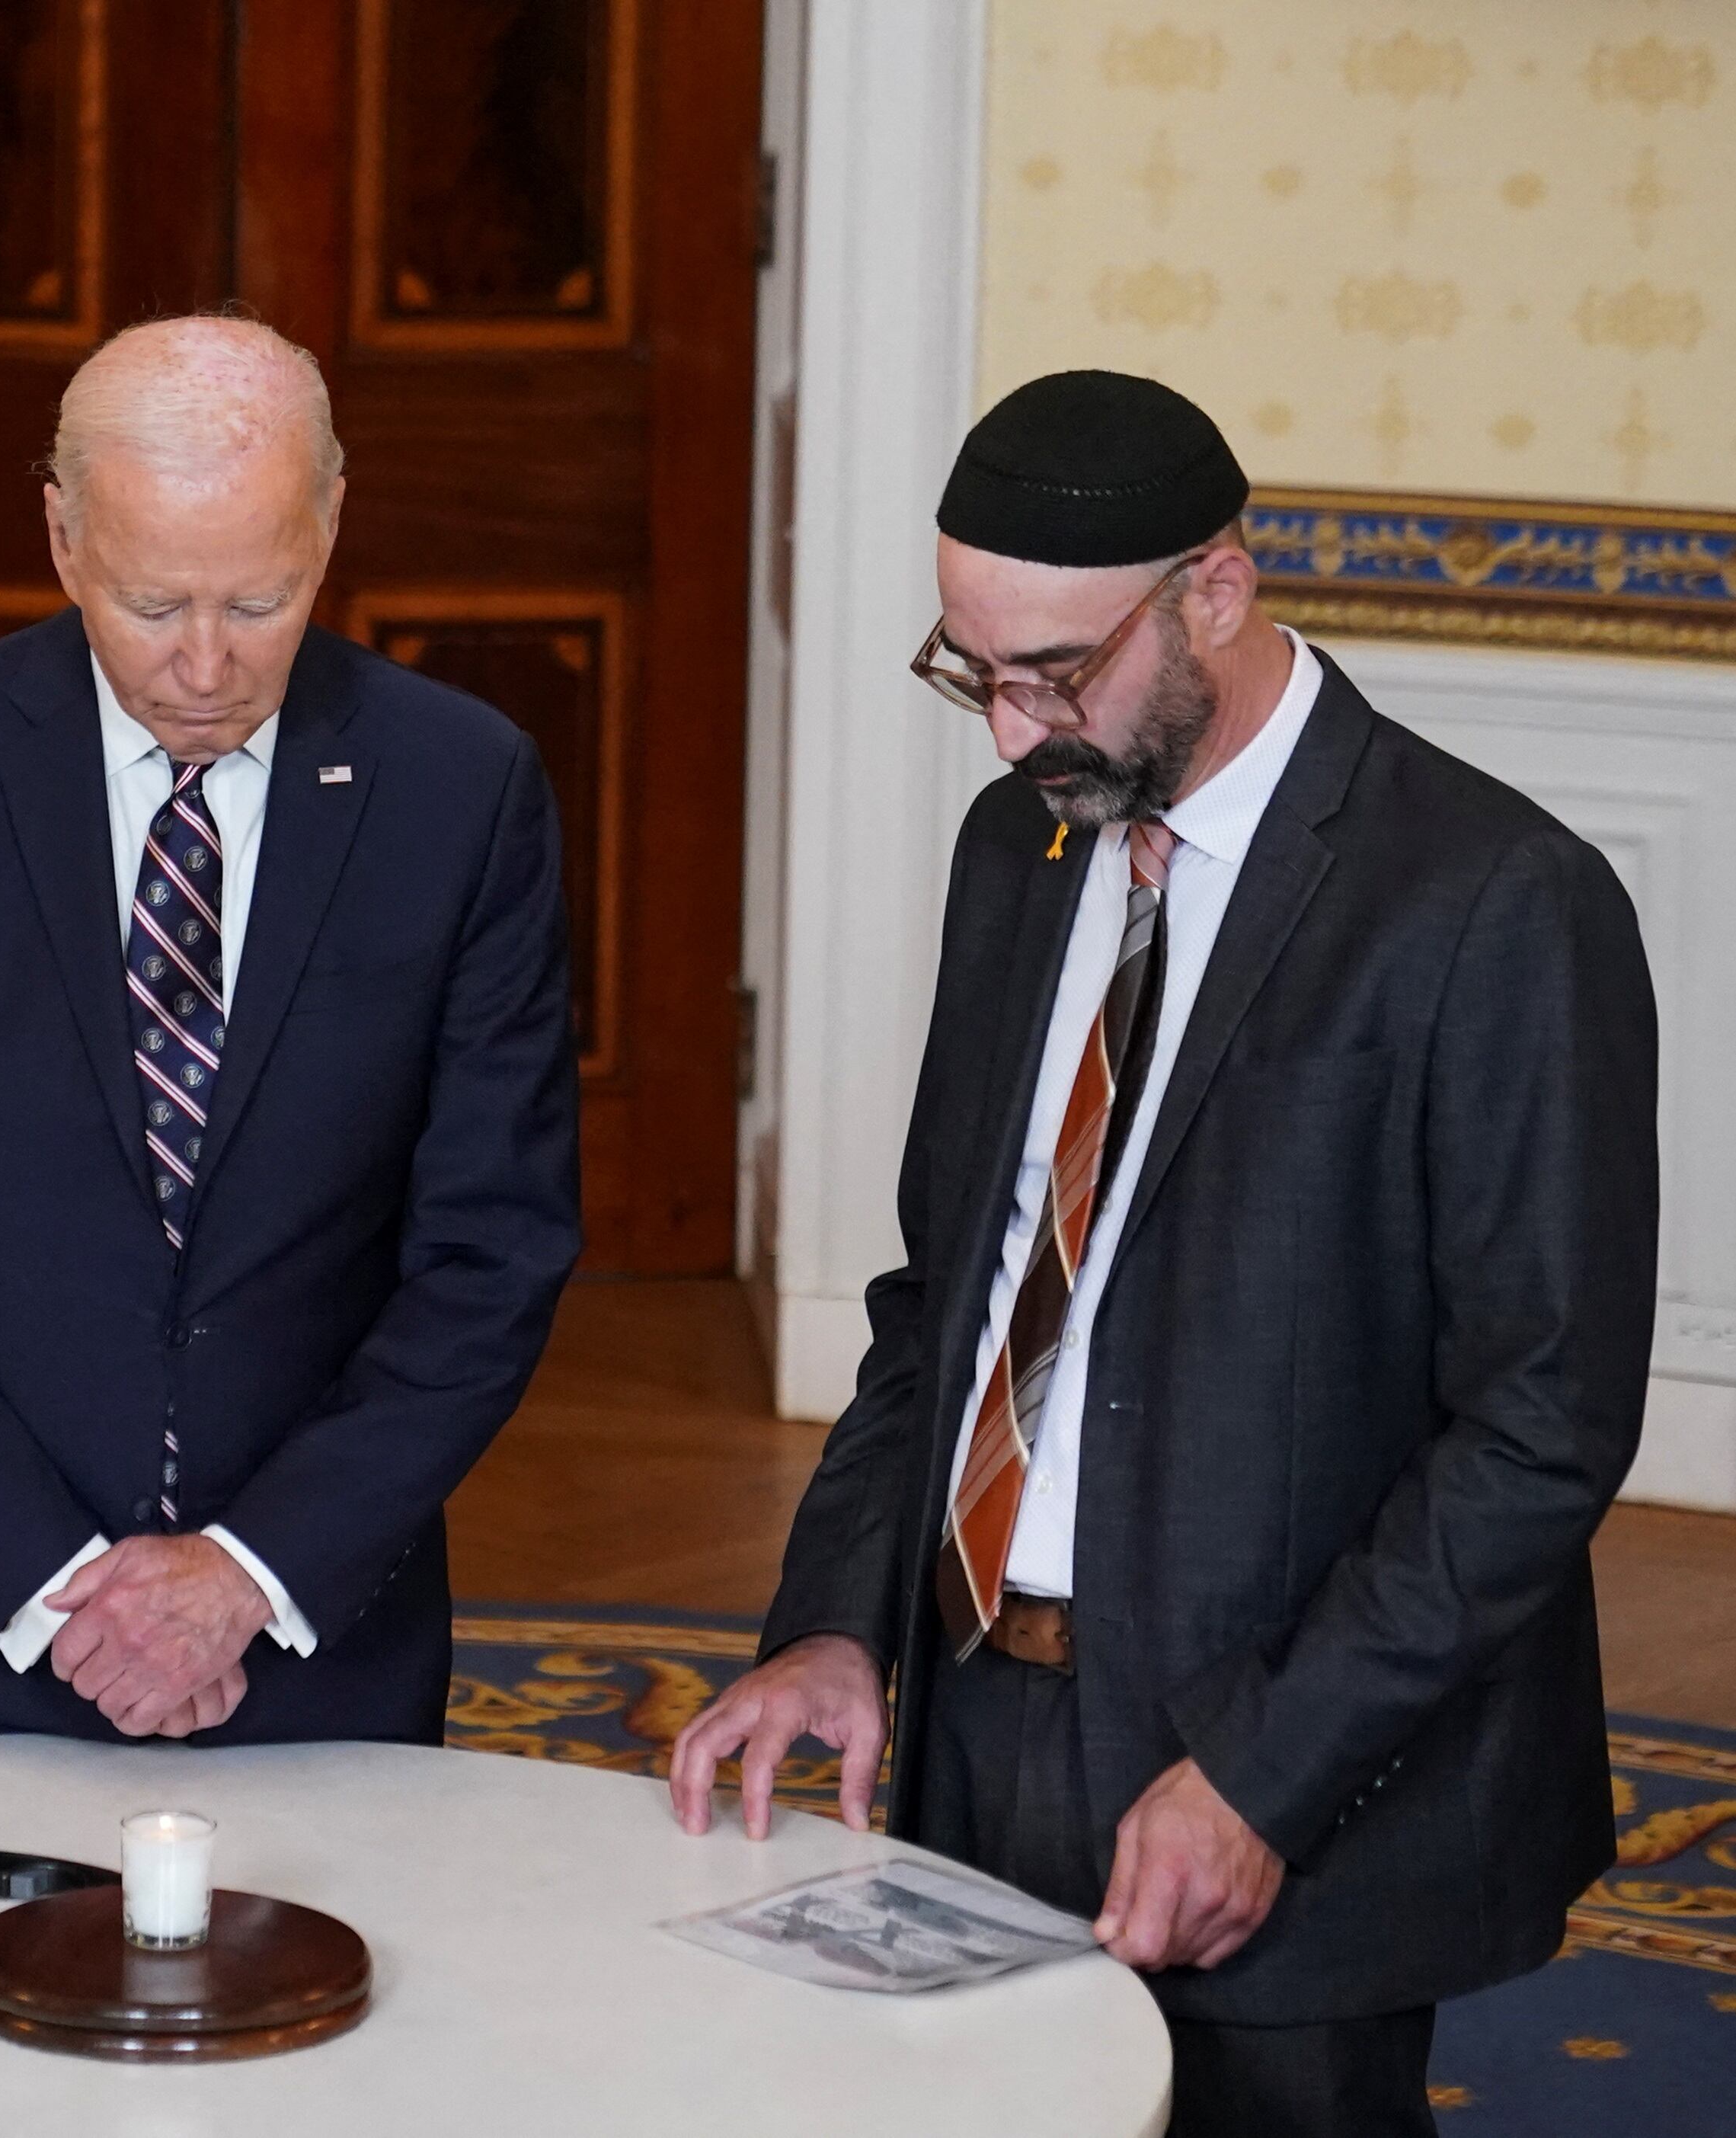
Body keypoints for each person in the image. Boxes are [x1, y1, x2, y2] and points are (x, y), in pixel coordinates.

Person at [670, 371, 1658, 2136]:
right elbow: (944, 1304)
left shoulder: (1493, 900)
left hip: (1277, 1765)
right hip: (972, 1727)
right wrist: (833, 1623)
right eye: (972, 670)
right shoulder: (1019, 847)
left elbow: (1536, 1428)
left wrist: (1260, 1782)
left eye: (1053, 671)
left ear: (1213, 589)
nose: (1003, 729)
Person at [0, 315, 581, 1745]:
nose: (202, 664)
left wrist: (246, 1575)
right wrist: (61, 1586)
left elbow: (491, 1253)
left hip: (315, 1637)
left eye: (255, 604)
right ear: (63, 539)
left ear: (327, 528)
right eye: (148, 603)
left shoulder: (462, 789)